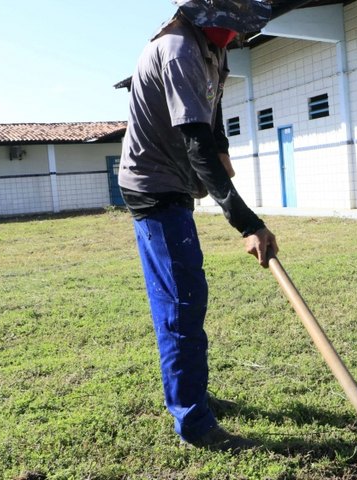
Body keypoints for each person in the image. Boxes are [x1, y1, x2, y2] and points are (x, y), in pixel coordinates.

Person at [118, 0, 276, 450]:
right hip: (154, 185)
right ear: (210, 16)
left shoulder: (212, 47)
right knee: (182, 302)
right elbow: (195, 144)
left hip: (177, 179)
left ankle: (192, 394)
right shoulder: (178, 49)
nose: (240, 36)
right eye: (236, 26)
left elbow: (213, 105)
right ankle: (193, 421)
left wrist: (223, 143)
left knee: (186, 297)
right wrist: (247, 223)